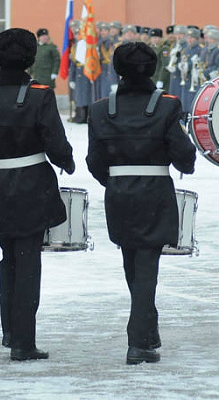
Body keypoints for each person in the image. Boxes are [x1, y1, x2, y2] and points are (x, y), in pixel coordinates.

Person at [0, 28, 75, 361]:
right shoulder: (39, 95)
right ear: (30, 59)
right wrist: (67, 162)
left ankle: (11, 331)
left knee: (8, 258)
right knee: (28, 261)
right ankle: (23, 341)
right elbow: (55, 144)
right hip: (31, 185)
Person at [86, 42, 196, 364]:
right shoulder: (166, 106)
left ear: (117, 70)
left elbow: (94, 161)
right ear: (152, 69)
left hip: (119, 192)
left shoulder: (101, 108)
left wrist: (115, 181)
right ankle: (138, 343)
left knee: (133, 265)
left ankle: (148, 333)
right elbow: (184, 157)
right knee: (146, 269)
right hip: (154, 192)